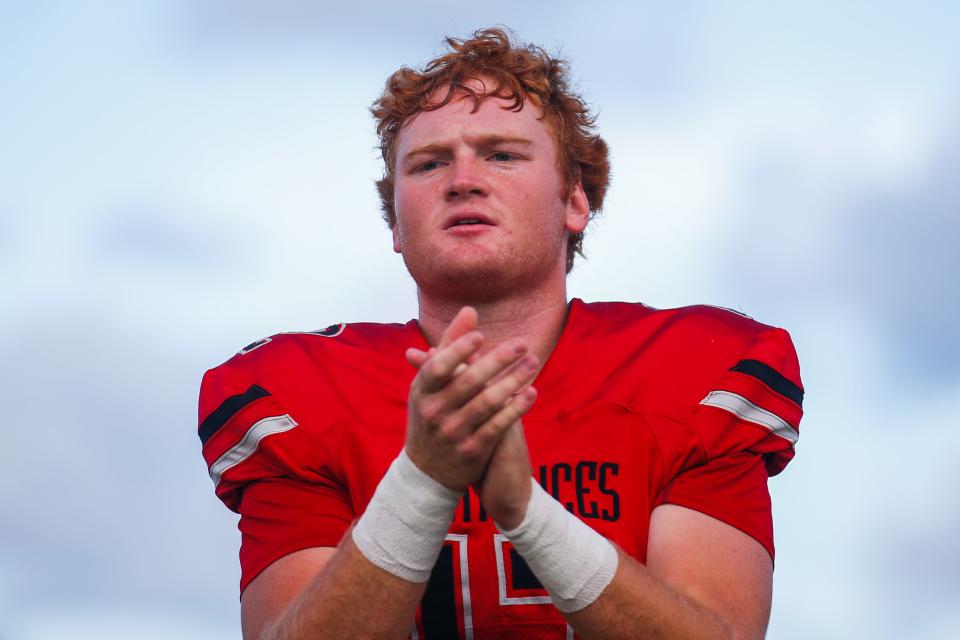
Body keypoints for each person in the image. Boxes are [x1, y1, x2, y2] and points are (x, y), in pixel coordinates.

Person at [198, 27, 804, 640]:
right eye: (430, 163)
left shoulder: (692, 368)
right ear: (397, 225)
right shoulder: (298, 391)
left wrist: (525, 513)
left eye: (502, 154)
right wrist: (424, 479)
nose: (463, 179)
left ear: (574, 201)